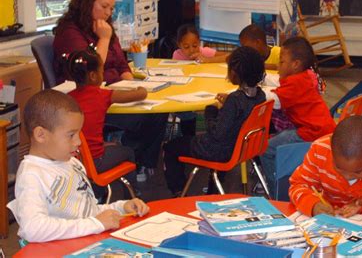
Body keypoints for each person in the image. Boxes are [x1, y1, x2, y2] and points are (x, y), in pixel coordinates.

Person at [53, 0, 168, 181]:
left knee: (158, 112)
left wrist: (129, 82)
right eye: (104, 6)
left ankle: (141, 161)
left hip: (114, 91)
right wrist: (104, 39)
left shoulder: (105, 27)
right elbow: (91, 72)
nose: (108, 12)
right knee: (147, 118)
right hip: (90, 99)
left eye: (111, 8)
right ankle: (130, 157)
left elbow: (122, 64)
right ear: (88, 3)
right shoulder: (70, 32)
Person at [7, 90, 149, 243]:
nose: (78, 142)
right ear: (41, 135)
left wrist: (120, 207)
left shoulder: (72, 162)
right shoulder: (32, 175)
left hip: (84, 243)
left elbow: (87, 211)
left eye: (79, 134)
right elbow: (32, 229)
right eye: (71, 135)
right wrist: (95, 224)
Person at [163, 46, 266, 196]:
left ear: (234, 73)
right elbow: (239, 113)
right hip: (242, 148)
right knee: (220, 141)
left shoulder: (235, 101)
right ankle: (214, 189)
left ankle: (178, 190)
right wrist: (228, 104)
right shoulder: (260, 96)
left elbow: (217, 133)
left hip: (220, 151)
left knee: (170, 147)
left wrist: (211, 111)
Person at [65, 47, 149, 193]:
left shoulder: (67, 98)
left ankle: (99, 192)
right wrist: (142, 88)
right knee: (128, 152)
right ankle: (134, 195)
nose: (103, 75)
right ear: (93, 76)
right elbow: (140, 95)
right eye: (101, 71)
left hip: (74, 159)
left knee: (110, 144)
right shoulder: (102, 95)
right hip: (96, 161)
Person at [260, 37, 336, 196]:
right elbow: (278, 83)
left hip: (312, 132)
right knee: (280, 137)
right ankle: (284, 178)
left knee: (265, 149)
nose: (277, 65)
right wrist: (261, 78)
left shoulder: (295, 83)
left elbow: (274, 100)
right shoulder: (306, 75)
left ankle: (276, 192)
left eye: (281, 62)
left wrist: (248, 92)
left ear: (295, 64)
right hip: (322, 129)